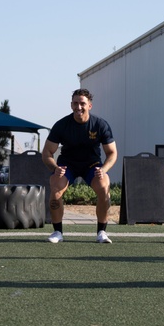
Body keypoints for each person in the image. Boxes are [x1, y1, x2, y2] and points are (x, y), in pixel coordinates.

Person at [42, 88, 117, 244]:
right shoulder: (61, 125)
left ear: (89, 105)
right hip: (67, 164)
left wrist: (104, 170)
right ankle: (57, 232)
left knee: (104, 187)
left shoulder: (100, 125)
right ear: (71, 105)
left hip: (92, 165)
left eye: (82, 103)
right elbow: (47, 153)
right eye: (75, 103)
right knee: (55, 189)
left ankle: (101, 232)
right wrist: (55, 167)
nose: (79, 107)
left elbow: (112, 153)